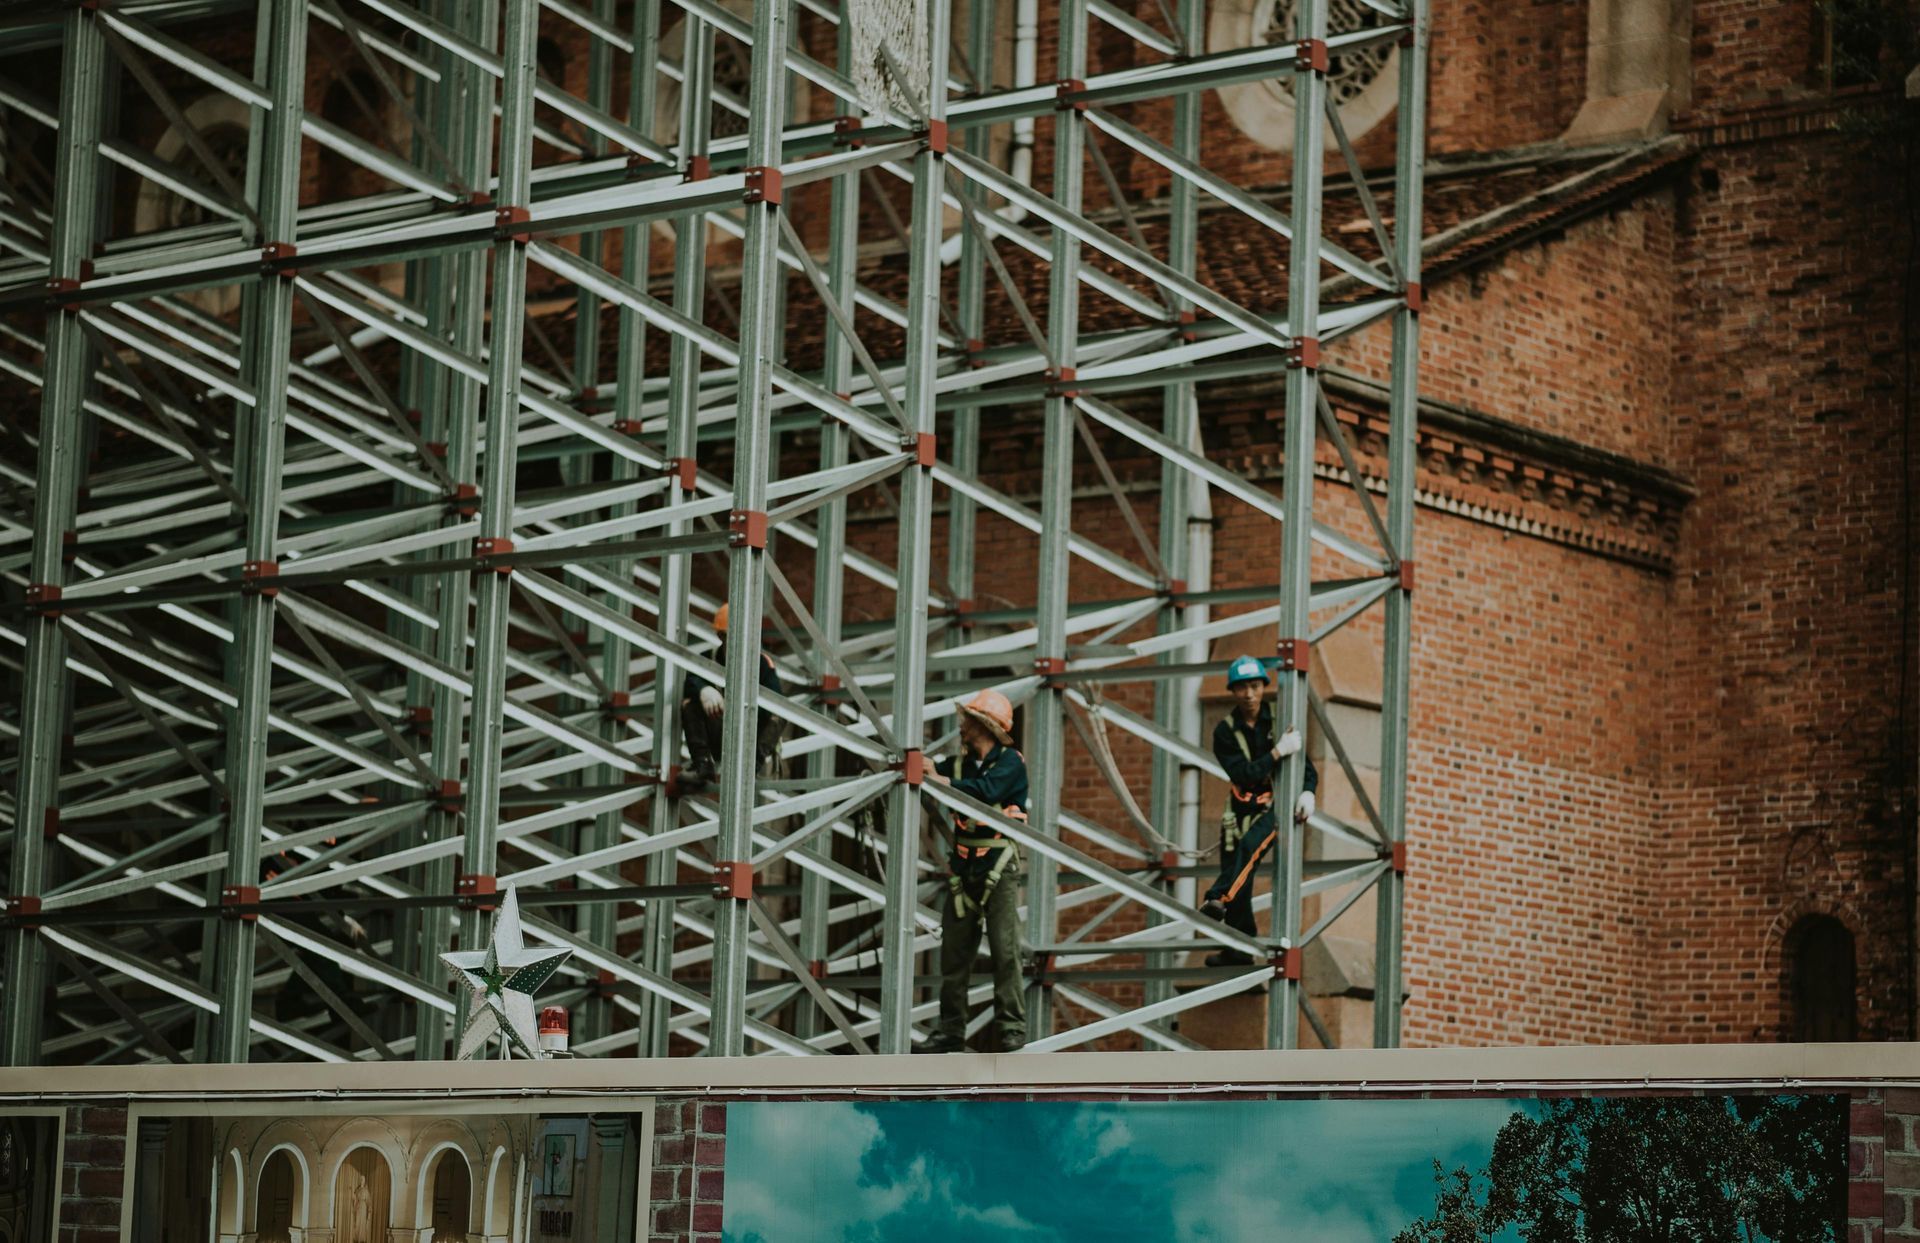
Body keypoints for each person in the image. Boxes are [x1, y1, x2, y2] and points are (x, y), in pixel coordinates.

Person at [916, 689, 1030, 1053]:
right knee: (955, 953)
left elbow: (984, 791)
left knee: (1004, 948)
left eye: (968, 721)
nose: (961, 727)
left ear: (984, 726)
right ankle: (950, 1029)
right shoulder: (959, 766)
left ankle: (1011, 1026)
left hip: (997, 866)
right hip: (965, 868)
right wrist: (929, 771)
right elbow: (936, 776)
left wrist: (942, 781)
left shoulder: (1010, 763)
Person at [1197, 654, 1318, 967]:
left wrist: (1308, 791)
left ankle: (1216, 898)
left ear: (1264, 687)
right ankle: (1238, 948)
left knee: (1250, 848)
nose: (1249, 694)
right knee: (1238, 869)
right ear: (1233, 692)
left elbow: (1304, 765)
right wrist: (1277, 752)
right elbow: (1245, 774)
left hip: (1275, 805)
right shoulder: (1225, 732)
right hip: (1238, 808)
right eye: (1242, 688)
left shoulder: (1279, 720)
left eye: (1254, 686)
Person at [679, 602, 785, 792]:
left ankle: (751, 767)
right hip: (720, 731)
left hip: (750, 736)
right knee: (689, 703)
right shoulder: (708, 658)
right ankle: (703, 764)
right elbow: (689, 682)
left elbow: (775, 704)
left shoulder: (761, 664)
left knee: (779, 716)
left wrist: (739, 707)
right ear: (721, 636)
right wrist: (703, 690)